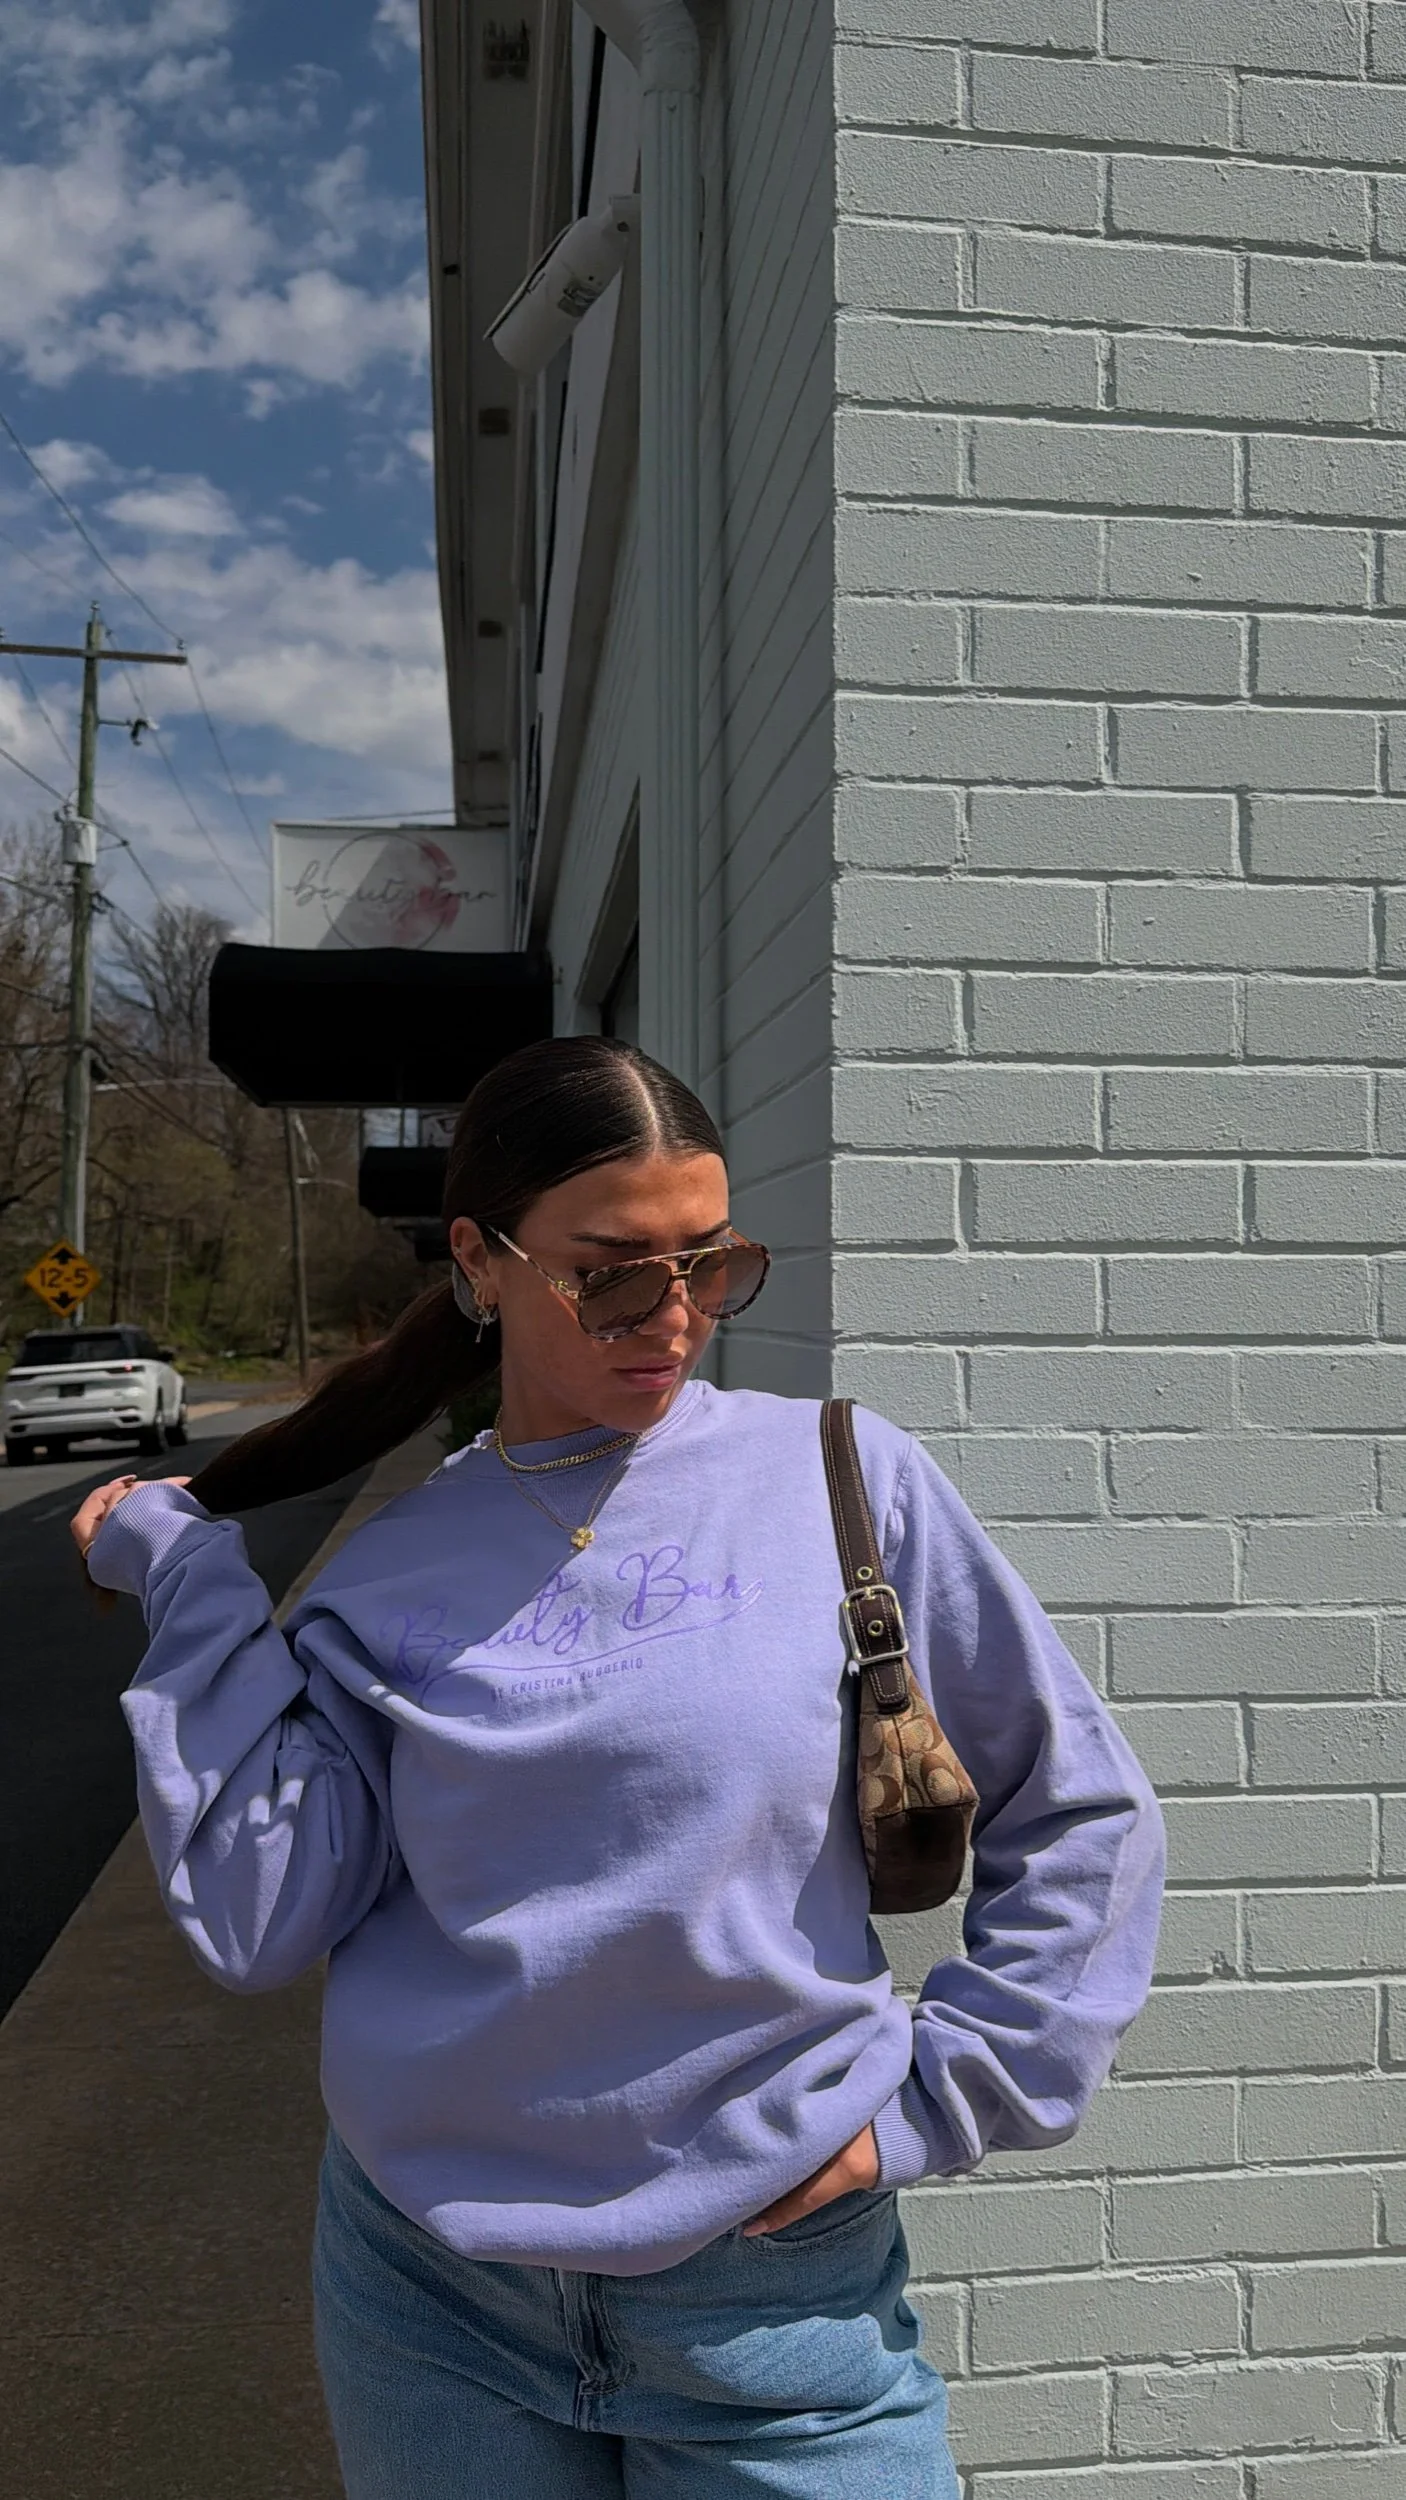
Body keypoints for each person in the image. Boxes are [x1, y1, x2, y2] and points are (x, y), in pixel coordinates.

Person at [73, 1035, 1165, 2500]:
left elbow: (1081, 1808)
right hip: (431, 2302)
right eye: (610, 1274)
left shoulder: (843, 1482)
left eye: (709, 1265)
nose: (673, 1317)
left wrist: (948, 2094)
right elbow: (263, 1916)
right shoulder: (389, 1571)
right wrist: (194, 1580)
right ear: (481, 1260)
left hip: (771, 2302)